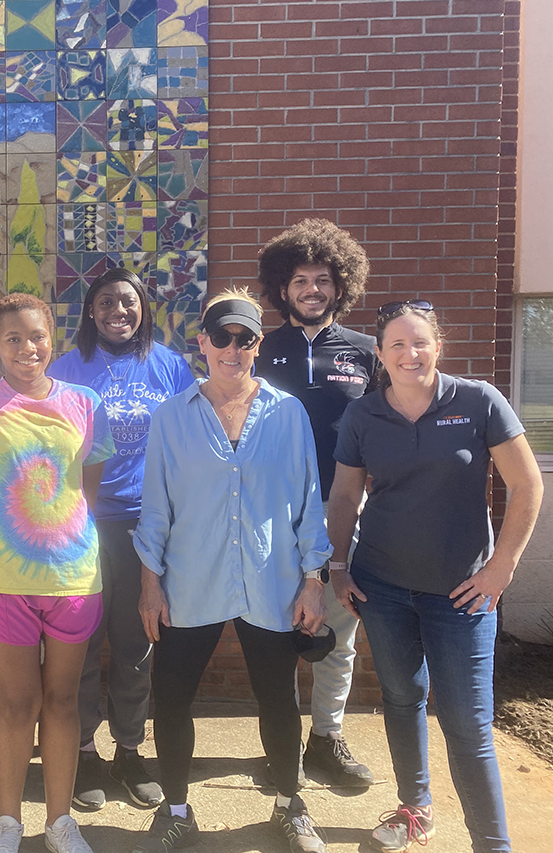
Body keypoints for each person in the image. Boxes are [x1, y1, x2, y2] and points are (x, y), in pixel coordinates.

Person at [328, 300, 543, 853]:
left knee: (468, 725)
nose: (409, 353)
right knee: (401, 699)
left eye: (419, 341)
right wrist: (338, 567)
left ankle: (491, 843)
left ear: (438, 346)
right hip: (383, 588)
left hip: (463, 593)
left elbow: (528, 485)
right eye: (396, 344)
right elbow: (347, 495)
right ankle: (415, 809)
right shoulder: (364, 415)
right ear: (379, 354)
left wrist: (502, 567)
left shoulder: (477, 401)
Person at [133, 289, 332, 853]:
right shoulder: (171, 418)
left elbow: (307, 500)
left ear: (257, 345)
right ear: (202, 342)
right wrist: (150, 586)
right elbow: (155, 509)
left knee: (278, 697)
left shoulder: (287, 413)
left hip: (271, 582)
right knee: (171, 697)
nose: (232, 347)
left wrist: (314, 581)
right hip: (189, 583)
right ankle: (175, 811)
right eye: (221, 336)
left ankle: (290, 805)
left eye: (244, 337)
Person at [0, 293, 114, 853]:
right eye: (12, 338)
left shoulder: (85, 403)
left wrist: (56, 536)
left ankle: (60, 821)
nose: (26, 348)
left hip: (71, 578)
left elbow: (86, 489)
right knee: (16, 703)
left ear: (52, 338)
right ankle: (8, 820)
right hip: (1, 581)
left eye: (36, 336)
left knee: (63, 701)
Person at [47, 267, 194, 811]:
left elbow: (190, 442)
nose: (118, 311)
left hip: (144, 525)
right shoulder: (65, 370)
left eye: (128, 302)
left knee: (135, 644)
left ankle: (129, 750)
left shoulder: (170, 367)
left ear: (143, 309)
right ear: (90, 310)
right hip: (78, 525)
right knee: (79, 643)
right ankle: (83, 749)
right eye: (106, 301)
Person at [254, 219, 377, 786]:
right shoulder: (257, 350)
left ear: (339, 285)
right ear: (282, 287)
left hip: (340, 513)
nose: (311, 289)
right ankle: (278, 740)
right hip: (268, 515)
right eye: (300, 279)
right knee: (274, 631)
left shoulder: (368, 352)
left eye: (322, 279)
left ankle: (326, 738)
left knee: (337, 632)